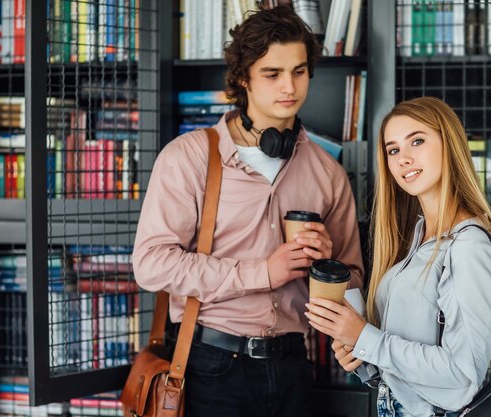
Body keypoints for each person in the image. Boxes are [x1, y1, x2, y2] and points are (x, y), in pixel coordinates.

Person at [131, 5, 364, 417]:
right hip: (211, 368)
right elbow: (150, 264)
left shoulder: (328, 172)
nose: (289, 86)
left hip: (294, 367)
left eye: (299, 71)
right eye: (272, 74)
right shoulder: (190, 158)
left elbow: (354, 284)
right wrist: (262, 273)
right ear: (243, 78)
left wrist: (327, 267)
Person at [305, 96, 491, 417]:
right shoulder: (418, 238)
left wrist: (364, 337)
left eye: (417, 141)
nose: (403, 158)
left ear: (450, 144)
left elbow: (461, 378)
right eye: (393, 150)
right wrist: (362, 356)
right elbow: (403, 364)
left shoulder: (468, 246)